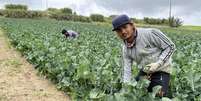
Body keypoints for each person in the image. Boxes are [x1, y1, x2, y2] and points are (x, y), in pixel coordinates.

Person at [112, 14, 176, 97]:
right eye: (119, 30)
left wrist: (158, 63)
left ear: (132, 25)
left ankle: (165, 85)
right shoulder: (125, 48)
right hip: (144, 71)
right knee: (134, 91)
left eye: (125, 27)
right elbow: (126, 69)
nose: (123, 32)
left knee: (159, 95)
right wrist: (126, 88)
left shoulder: (150, 33)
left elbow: (170, 46)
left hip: (161, 70)